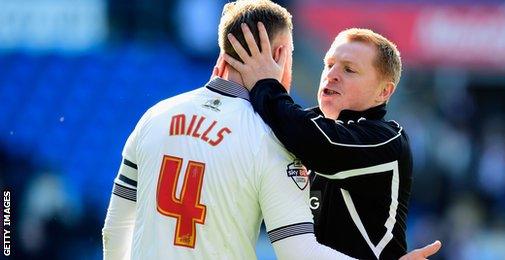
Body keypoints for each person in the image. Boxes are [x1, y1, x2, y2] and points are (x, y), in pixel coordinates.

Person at [101, 1, 363, 259]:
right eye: (290, 53)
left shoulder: (154, 116)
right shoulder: (271, 138)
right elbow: (299, 253)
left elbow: (115, 229)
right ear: (278, 55)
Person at [224, 23, 441, 259]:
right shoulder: (303, 126)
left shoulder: (387, 139)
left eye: (349, 70)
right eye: (328, 65)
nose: (332, 75)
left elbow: (320, 145)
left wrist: (266, 83)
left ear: (384, 92)